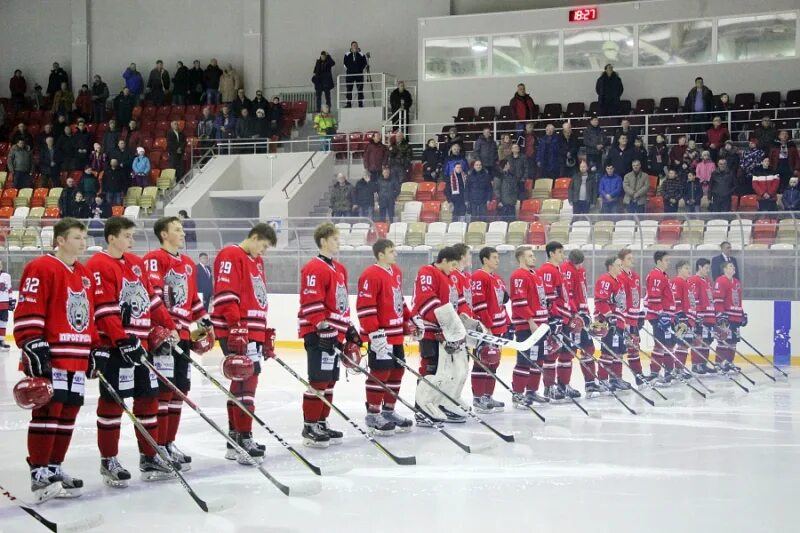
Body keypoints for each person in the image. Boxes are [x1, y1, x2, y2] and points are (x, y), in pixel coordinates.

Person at [86, 216, 179, 486]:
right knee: (112, 403)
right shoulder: (98, 264)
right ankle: (109, 460)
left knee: (148, 400)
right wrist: (121, 339)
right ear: (112, 237)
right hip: (116, 348)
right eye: (127, 235)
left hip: (141, 346)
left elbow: (152, 301)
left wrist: (169, 326)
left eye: (132, 235)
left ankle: (149, 456)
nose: (132, 240)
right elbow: (104, 309)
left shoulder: (136, 264)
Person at [13, 218, 99, 502]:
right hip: (52, 356)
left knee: (68, 413)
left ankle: (54, 466)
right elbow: (29, 305)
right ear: (60, 240)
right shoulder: (41, 267)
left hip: (77, 356)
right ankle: (39, 472)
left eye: (83, 238)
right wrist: (32, 341)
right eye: (76, 237)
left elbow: (89, 316)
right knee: (48, 413)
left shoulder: (83, 274)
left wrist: (95, 348)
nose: (82, 243)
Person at [143, 216, 211, 471]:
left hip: (181, 336)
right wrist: (168, 327)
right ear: (163, 234)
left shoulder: (188, 264)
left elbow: (192, 299)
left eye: (182, 229)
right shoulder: (154, 259)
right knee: (163, 392)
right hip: (162, 336)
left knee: (178, 391)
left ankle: (169, 443)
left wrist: (205, 321)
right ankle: (158, 445)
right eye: (177, 229)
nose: (182, 233)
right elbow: (154, 297)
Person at [210, 223, 277, 461]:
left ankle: (235, 437)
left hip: (252, 331)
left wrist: (263, 333)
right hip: (238, 330)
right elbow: (227, 295)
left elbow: (256, 298)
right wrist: (237, 327)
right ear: (255, 237)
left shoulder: (256, 261)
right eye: (264, 245)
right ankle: (243, 436)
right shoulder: (231, 254)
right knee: (246, 381)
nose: (264, 251)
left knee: (245, 382)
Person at [297, 222, 356, 445]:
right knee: (318, 381)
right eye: (334, 239)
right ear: (323, 241)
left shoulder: (339, 269)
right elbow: (311, 301)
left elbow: (341, 303)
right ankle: (309, 426)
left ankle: (321, 422)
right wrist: (323, 327)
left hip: (335, 335)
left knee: (330, 381)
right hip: (319, 334)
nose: (338, 243)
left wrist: (348, 328)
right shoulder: (314, 268)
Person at [355, 239, 416, 434]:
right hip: (381, 335)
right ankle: (373, 414)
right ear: (381, 255)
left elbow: (399, 301)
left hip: (396, 334)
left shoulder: (396, 272)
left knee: (397, 371)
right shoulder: (370, 275)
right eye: (391, 251)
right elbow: (365, 306)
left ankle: (389, 410)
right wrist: (373, 332)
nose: (395, 254)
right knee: (380, 373)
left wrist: (411, 319)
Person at [411, 246, 463, 425]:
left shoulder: (448, 278)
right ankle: (421, 410)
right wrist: (444, 324)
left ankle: (434, 404)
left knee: (443, 372)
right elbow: (426, 300)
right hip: (429, 331)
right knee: (429, 369)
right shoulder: (427, 271)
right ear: (444, 260)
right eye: (453, 264)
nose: (454, 268)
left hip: (443, 332)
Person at [469, 247, 510, 413]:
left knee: (494, 361)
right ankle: (478, 398)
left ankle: (488, 395)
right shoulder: (478, 277)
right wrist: (488, 327)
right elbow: (479, 305)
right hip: (486, 329)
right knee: (482, 361)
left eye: (498, 257)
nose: (497, 260)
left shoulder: (498, 279)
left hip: (498, 327)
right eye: (494, 257)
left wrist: (507, 323)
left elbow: (501, 304)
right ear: (485, 259)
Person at [509, 245, 550, 406]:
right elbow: (519, 302)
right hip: (527, 327)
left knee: (538, 360)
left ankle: (531, 392)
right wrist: (530, 321)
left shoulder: (535, 275)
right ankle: (518, 394)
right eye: (530, 255)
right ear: (521, 258)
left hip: (540, 326)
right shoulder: (519, 275)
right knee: (524, 361)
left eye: (533, 255)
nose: (534, 258)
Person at [537, 241, 577, 401]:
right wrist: (553, 318)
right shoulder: (547, 270)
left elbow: (565, 295)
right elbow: (547, 298)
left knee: (567, 353)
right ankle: (549, 387)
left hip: (565, 318)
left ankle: (563, 384)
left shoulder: (558, 270)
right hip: (557, 318)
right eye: (560, 252)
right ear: (551, 253)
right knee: (552, 354)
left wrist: (574, 313)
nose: (563, 255)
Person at [560, 250, 601, 394]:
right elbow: (568, 295)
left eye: (580, 264)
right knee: (567, 353)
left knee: (588, 349)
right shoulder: (566, 269)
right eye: (576, 264)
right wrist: (575, 314)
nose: (578, 266)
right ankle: (562, 386)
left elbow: (582, 294)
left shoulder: (581, 270)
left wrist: (587, 314)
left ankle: (590, 383)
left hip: (583, 314)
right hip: (573, 317)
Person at [593, 255, 628, 391]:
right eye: (618, 265)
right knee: (608, 352)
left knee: (618, 351)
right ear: (610, 266)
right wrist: (609, 316)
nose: (621, 267)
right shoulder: (605, 280)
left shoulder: (618, 281)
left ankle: (615, 379)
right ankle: (602, 380)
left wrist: (622, 320)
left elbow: (619, 303)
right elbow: (600, 301)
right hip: (608, 323)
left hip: (617, 321)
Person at [643, 251, 676, 384]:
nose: (669, 262)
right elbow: (654, 297)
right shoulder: (656, 275)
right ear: (659, 261)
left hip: (666, 316)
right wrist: (661, 314)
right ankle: (655, 372)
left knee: (668, 344)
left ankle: (668, 370)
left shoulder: (663, 275)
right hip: (659, 317)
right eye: (666, 260)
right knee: (660, 344)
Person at [617, 248, 646, 384]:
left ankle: (639, 377)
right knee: (620, 349)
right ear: (621, 261)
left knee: (634, 349)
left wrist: (639, 314)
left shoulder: (635, 276)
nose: (632, 260)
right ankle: (616, 379)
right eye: (629, 258)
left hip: (633, 319)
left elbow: (636, 297)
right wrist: (625, 321)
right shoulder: (620, 277)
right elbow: (622, 300)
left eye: (632, 258)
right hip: (624, 320)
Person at [713, 262, 745, 374]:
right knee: (723, 341)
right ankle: (718, 363)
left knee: (733, 342)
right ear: (725, 269)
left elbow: (739, 300)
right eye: (731, 266)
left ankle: (729, 363)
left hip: (735, 316)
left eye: (733, 266)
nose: (733, 267)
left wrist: (742, 314)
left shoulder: (736, 282)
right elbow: (717, 300)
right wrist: (720, 315)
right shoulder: (720, 281)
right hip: (726, 317)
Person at [687, 259, 717, 375]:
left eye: (709, 268)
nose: (708, 271)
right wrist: (697, 314)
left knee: (707, 341)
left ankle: (703, 364)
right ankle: (696, 365)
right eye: (706, 268)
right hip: (701, 316)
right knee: (698, 340)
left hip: (709, 316)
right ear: (700, 267)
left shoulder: (708, 281)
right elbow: (693, 299)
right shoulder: (694, 280)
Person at [343, 41, 368, 108]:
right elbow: (345, 63)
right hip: (350, 75)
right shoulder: (347, 54)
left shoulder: (361, 54)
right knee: (349, 89)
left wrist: (360, 69)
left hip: (359, 75)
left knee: (360, 90)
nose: (355, 46)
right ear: (351, 46)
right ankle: (348, 104)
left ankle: (360, 104)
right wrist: (351, 69)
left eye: (356, 45)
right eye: (353, 45)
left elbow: (364, 63)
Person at [0, 260, 11, 350]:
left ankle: (1, 341)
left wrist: (11, 300)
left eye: (0, 264)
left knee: (3, 322)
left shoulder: (6, 276)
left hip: (4, 303)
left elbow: (9, 288)